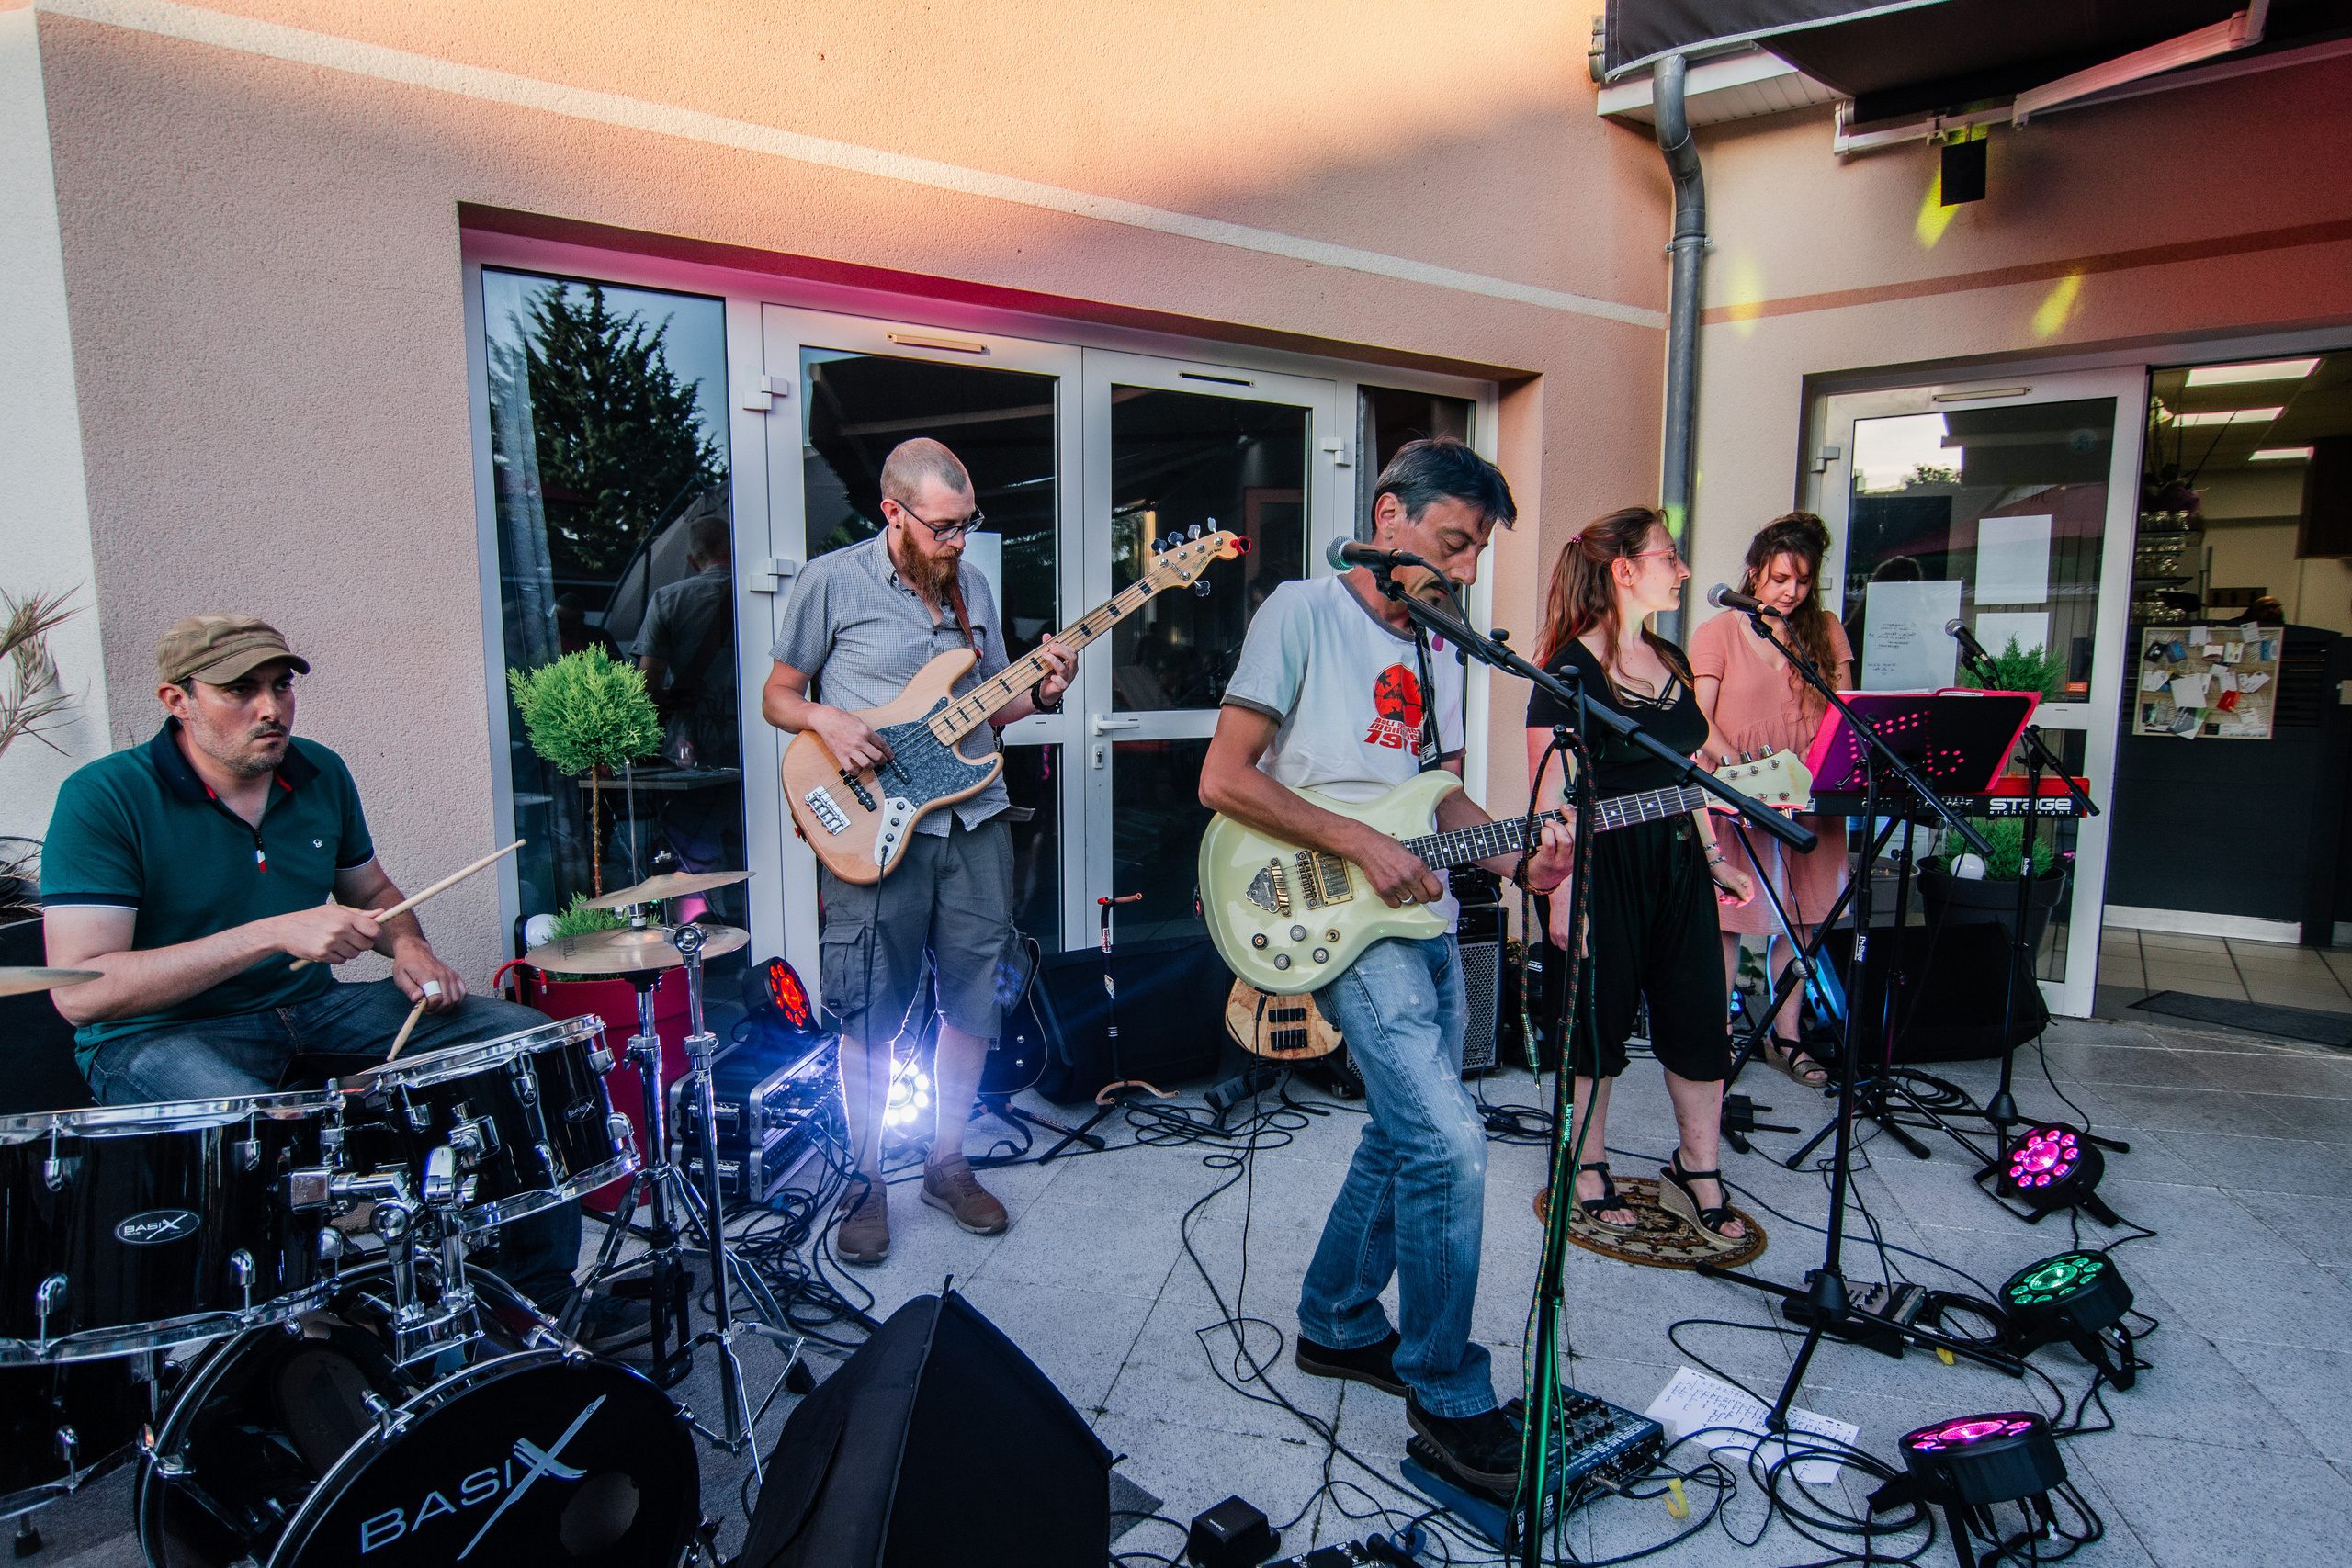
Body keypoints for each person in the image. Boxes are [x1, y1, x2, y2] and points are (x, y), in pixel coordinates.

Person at [39, 615, 637, 1346]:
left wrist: (407, 945)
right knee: (262, 1129)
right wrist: (270, 931)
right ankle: (293, 1349)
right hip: (158, 1034)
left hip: (308, 1007)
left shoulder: (317, 770)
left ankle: (536, 1303)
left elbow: (374, 892)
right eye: (239, 689)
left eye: (280, 685)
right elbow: (83, 991)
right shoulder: (104, 797)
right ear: (177, 699)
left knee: (529, 1045)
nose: (271, 707)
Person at [1199, 437, 1571, 1495]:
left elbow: (1436, 796)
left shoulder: (1440, 644)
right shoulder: (1300, 613)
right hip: (1328, 908)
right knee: (1450, 1141)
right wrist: (1357, 841)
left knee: (1405, 1131)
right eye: (1452, 541)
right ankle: (1446, 1390)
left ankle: (1335, 1320)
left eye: (1477, 550)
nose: (1464, 567)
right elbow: (1223, 778)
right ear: (1388, 517)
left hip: (1423, 916)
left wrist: (1518, 856)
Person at [761, 438, 1074, 1264]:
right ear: (892, 513)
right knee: (870, 1007)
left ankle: (947, 1161)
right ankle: (866, 1179)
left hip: (974, 822)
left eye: (967, 523)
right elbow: (778, 695)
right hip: (873, 828)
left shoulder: (974, 587)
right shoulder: (831, 581)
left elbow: (992, 705)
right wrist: (827, 719)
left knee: (975, 999)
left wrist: (1042, 690)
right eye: (942, 526)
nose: (958, 541)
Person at [1524, 507, 1754, 1249]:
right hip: (1601, 868)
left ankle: (1698, 1168)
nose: (1682, 569)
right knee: (1596, 1024)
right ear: (1623, 570)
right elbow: (1550, 802)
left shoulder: (1671, 658)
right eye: (1669, 556)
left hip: (1679, 864)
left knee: (1699, 1017)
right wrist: (1563, 894)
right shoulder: (1566, 673)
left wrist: (1713, 855)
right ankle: (1585, 1164)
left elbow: (1685, 778)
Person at [1690, 513, 1852, 1089]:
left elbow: (1844, 712)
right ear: (1755, 571)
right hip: (1738, 792)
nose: (1791, 592)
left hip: (1810, 796)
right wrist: (1744, 773)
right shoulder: (1718, 632)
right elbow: (1698, 719)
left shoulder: (1824, 630)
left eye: (1803, 581)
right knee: (1727, 922)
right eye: (1781, 578)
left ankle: (1786, 1038)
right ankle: (1716, 1039)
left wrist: (1819, 769)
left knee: (1804, 920)